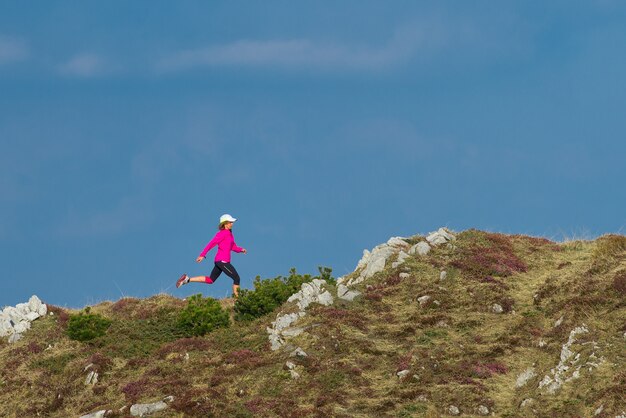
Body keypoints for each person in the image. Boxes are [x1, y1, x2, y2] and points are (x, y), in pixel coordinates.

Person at [176, 214, 247, 298]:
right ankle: (238, 300)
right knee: (236, 278)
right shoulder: (222, 233)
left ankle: (187, 279)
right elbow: (211, 243)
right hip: (222, 261)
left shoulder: (230, 234)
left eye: (232, 222)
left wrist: (241, 250)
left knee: (211, 280)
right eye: (230, 222)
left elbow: (232, 247)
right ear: (225, 223)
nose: (232, 223)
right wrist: (202, 255)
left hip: (221, 261)